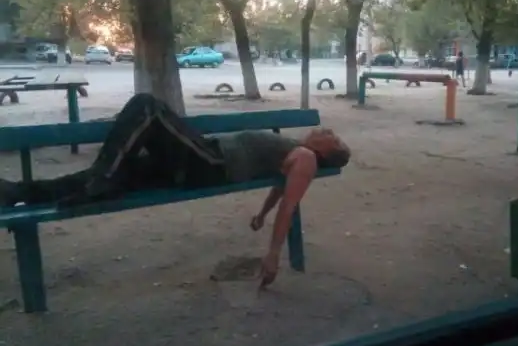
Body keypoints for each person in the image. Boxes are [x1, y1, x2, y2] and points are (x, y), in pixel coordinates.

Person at [0, 93, 351, 287]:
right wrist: (261, 213)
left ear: (325, 154)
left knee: (148, 106)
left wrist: (273, 253)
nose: (329, 131)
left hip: (210, 163)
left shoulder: (306, 158)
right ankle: (19, 191)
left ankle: (102, 180)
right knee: (119, 170)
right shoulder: (298, 152)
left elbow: (290, 204)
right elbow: (281, 187)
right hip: (202, 161)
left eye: (333, 138)